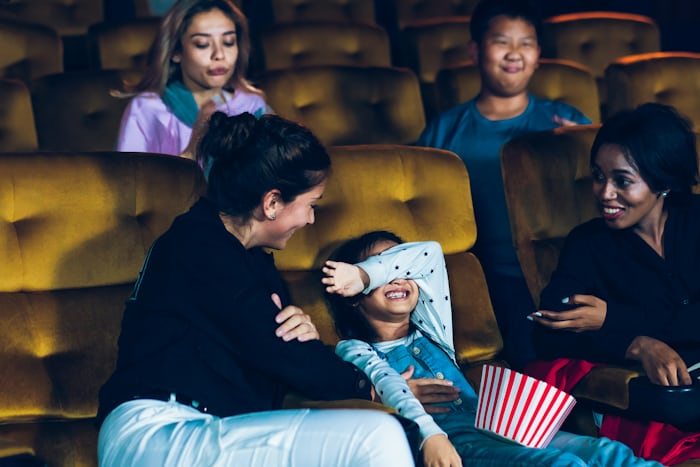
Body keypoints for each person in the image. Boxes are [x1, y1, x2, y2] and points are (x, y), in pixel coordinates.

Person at [97, 113, 415, 466]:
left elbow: (288, 350)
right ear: (272, 203)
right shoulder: (199, 246)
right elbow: (284, 352)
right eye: (311, 205)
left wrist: (303, 339)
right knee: (378, 436)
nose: (311, 219)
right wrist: (373, 388)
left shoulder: (251, 261)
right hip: (156, 431)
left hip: (212, 427)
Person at [323, 230, 663, 466]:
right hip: (451, 441)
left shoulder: (432, 327)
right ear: (351, 298)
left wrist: (366, 275)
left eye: (400, 266)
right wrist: (430, 436)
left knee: (606, 453)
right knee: (560, 464)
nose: (396, 277)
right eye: (380, 268)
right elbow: (389, 386)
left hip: (500, 425)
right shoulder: (354, 349)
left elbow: (430, 253)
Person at [416, 0, 591, 371]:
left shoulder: (566, 121)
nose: (514, 54)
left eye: (526, 43)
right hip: (484, 282)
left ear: (538, 54)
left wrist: (577, 144)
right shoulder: (444, 131)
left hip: (568, 275)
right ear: (475, 51)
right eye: (501, 42)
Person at [115, 0, 271, 162]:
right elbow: (129, 176)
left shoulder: (252, 105)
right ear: (176, 51)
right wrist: (192, 150)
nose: (219, 55)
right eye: (202, 44)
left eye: (228, 42)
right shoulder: (146, 109)